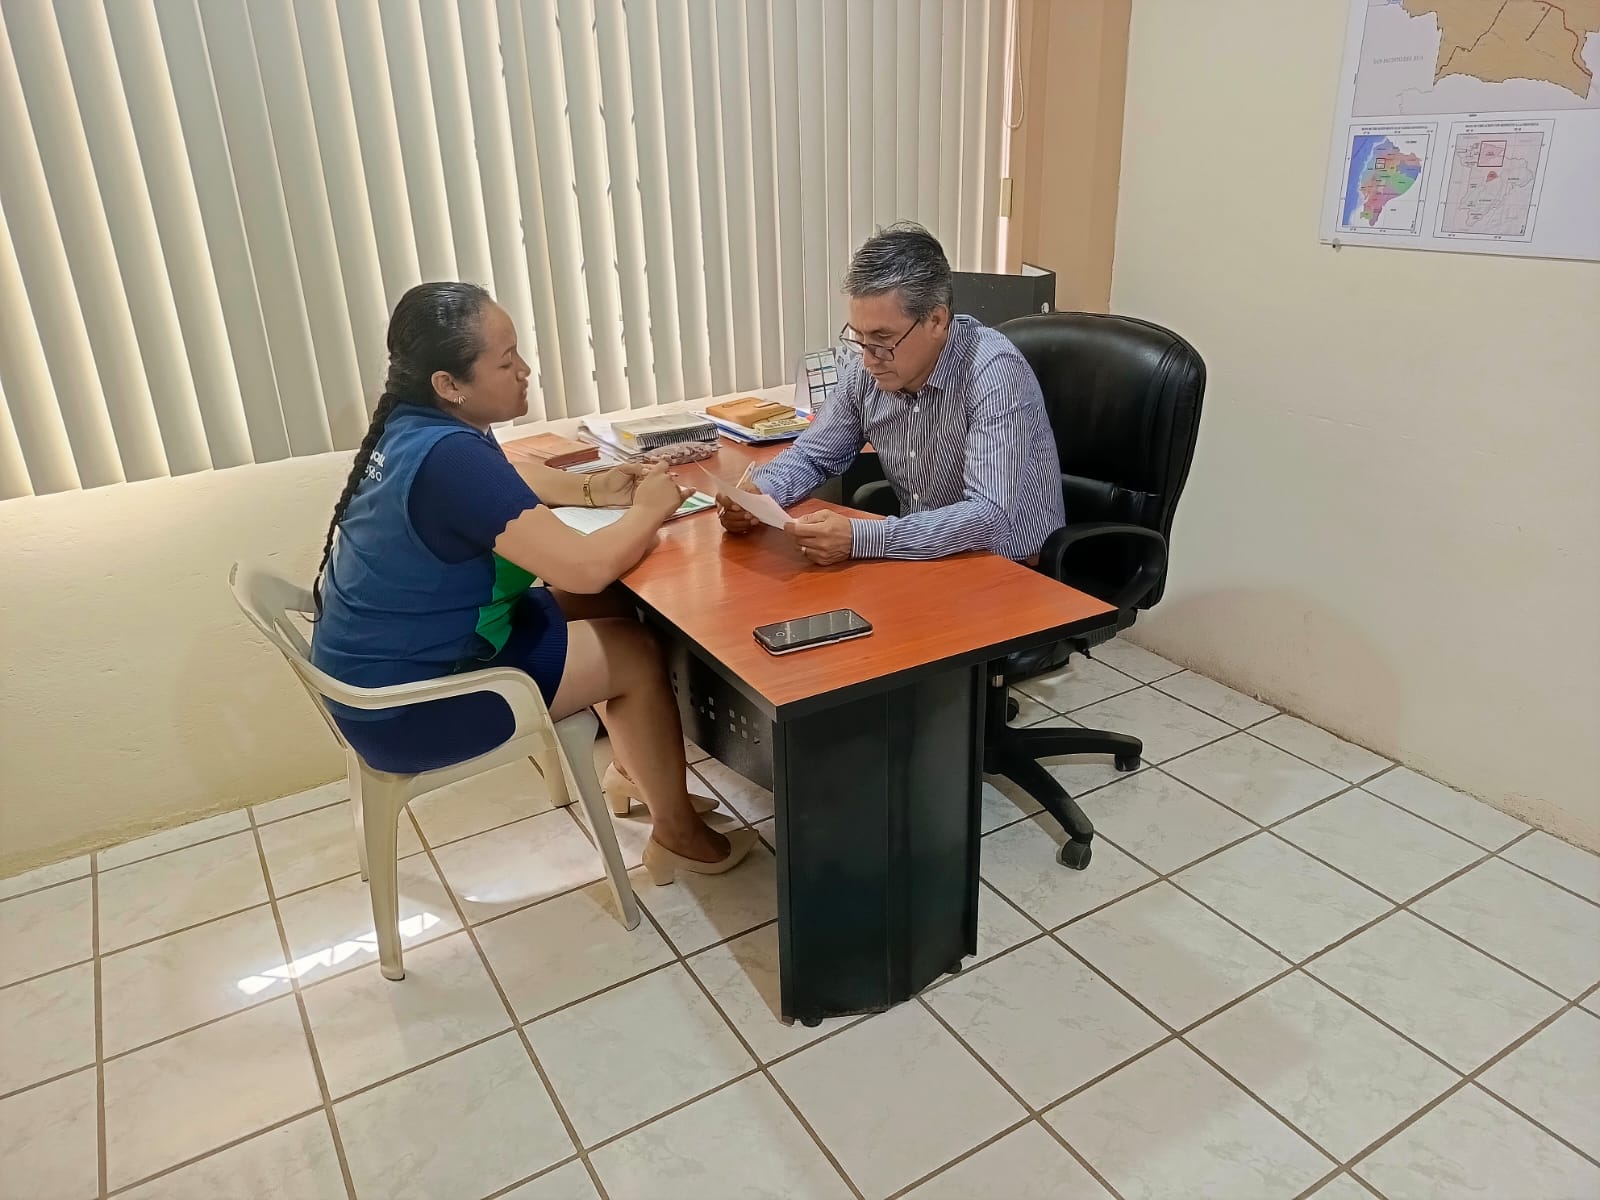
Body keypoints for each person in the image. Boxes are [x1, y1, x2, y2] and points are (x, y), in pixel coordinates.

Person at [311, 282, 754, 882]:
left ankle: (635, 773)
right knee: (632, 648)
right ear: (450, 383)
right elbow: (585, 566)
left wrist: (595, 488)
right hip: (407, 709)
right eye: (505, 361)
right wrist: (649, 509)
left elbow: (510, 476)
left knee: (596, 604)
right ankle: (677, 835)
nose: (525, 369)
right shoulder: (451, 458)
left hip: (377, 672)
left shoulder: (418, 426)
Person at [719, 222, 1064, 564]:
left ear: (936, 320)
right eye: (859, 337)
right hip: (924, 562)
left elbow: (988, 516)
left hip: (1011, 569)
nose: (868, 358)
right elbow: (812, 456)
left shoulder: (993, 372)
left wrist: (860, 537)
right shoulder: (869, 370)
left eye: (883, 338)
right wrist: (758, 495)